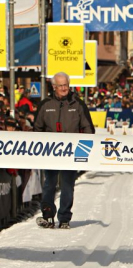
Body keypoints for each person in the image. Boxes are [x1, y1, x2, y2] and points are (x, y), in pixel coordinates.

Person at [34, 72, 95, 229]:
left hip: (71, 152)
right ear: (54, 87)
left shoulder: (78, 104)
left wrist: (84, 147)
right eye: (60, 85)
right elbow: (37, 129)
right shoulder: (45, 104)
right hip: (50, 152)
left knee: (67, 185)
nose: (64, 88)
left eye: (66, 85)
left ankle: (64, 217)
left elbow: (88, 128)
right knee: (49, 184)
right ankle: (47, 215)